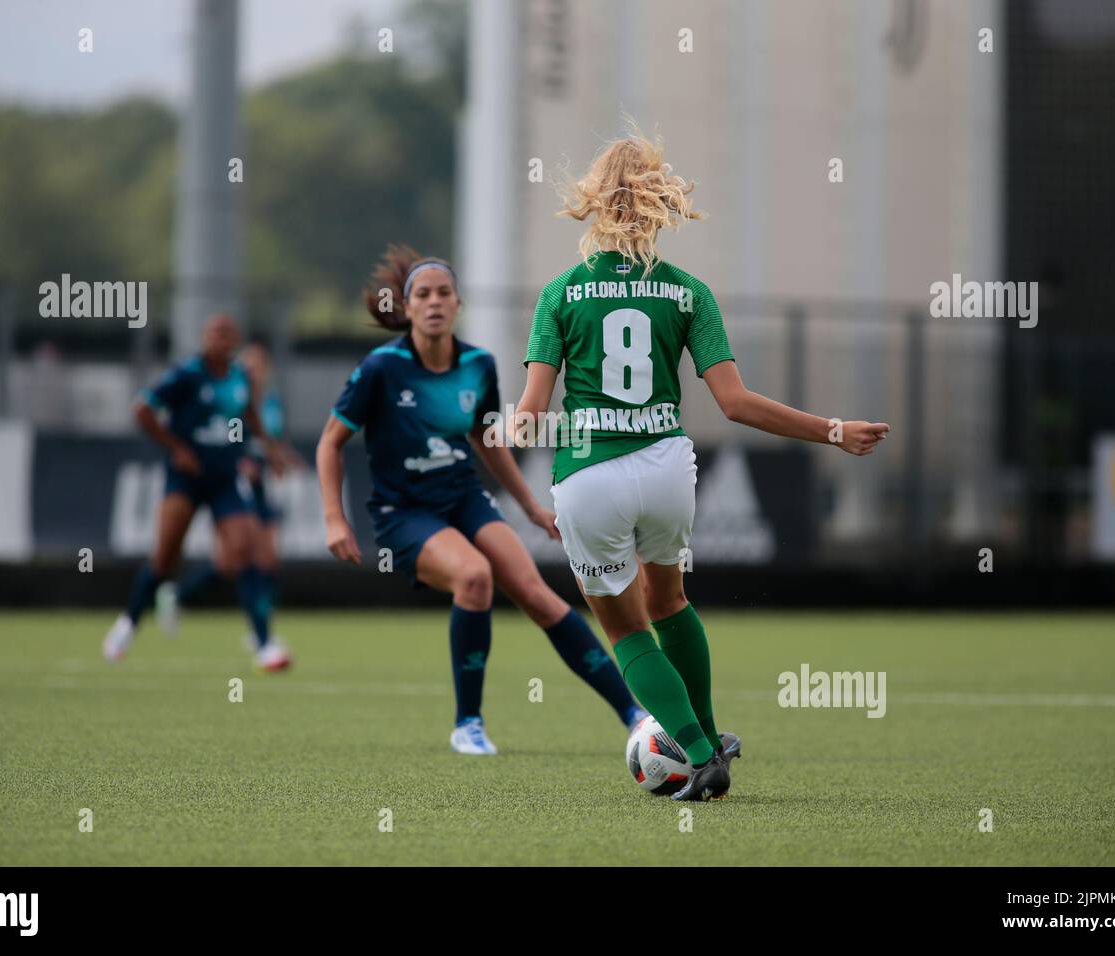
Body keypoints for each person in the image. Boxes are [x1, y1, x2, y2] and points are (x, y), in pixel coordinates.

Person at [514, 132, 891, 799]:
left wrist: (505, 423)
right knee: (671, 601)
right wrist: (834, 431)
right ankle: (710, 737)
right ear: (662, 198)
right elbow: (737, 405)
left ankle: (696, 751)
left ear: (593, 200)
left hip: (590, 477)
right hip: (666, 470)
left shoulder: (562, 294)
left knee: (626, 626)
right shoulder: (688, 293)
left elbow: (533, 410)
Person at [317, 245, 647, 755]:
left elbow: (486, 442)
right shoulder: (382, 368)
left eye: (443, 293)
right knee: (474, 577)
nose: (433, 302)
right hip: (403, 514)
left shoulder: (478, 365)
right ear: (406, 309)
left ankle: (634, 713)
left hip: (464, 499)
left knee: (539, 597)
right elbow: (330, 442)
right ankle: (467, 723)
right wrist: (334, 518)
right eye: (422, 294)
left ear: (457, 304)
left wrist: (532, 507)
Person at [103, 314, 292, 672]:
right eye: (214, 333)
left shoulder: (240, 377)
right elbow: (142, 410)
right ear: (204, 338)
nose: (221, 339)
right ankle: (128, 623)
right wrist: (176, 448)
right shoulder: (186, 375)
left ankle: (265, 645)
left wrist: (270, 449)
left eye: (227, 333)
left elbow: (248, 416)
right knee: (165, 557)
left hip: (224, 478)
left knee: (245, 551)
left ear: (235, 339)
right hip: (185, 479)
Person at [156, 341, 300, 636]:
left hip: (259, 487)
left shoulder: (271, 403)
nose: (255, 371)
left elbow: (268, 440)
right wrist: (243, 462)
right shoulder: (232, 400)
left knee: (269, 558)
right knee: (228, 563)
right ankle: (178, 597)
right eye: (249, 365)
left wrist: (284, 457)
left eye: (260, 365)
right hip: (233, 484)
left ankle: (261, 631)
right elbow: (231, 439)